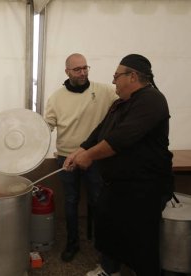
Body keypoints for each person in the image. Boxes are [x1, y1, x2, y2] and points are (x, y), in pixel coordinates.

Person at [64, 54, 174, 276]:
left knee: (142, 242)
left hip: (144, 188)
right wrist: (81, 149)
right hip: (118, 185)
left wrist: (90, 156)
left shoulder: (151, 100)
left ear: (132, 76)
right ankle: (109, 270)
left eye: (116, 76)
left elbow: (121, 139)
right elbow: (100, 131)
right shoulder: (120, 103)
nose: (113, 81)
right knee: (110, 231)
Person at [44, 53, 117, 262]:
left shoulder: (104, 91)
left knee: (98, 200)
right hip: (67, 158)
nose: (83, 72)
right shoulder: (56, 98)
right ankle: (72, 243)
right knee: (70, 200)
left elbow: (127, 100)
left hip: (95, 157)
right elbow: (46, 126)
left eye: (86, 68)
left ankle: (104, 246)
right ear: (67, 72)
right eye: (78, 69)